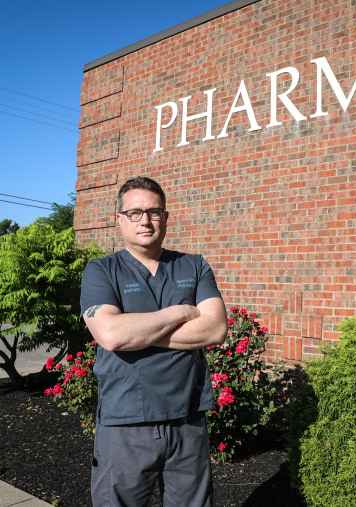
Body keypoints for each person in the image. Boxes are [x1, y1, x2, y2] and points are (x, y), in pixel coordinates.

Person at [80, 176, 227, 507]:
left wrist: (139, 332)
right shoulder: (101, 271)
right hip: (125, 424)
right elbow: (112, 335)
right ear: (120, 220)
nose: (145, 220)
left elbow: (215, 330)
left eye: (153, 211)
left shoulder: (194, 266)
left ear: (166, 217)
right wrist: (182, 311)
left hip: (187, 421)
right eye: (134, 212)